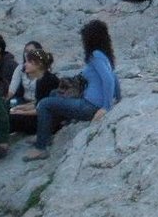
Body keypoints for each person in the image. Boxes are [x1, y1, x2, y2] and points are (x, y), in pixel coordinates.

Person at [24, 19, 120, 161]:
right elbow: (114, 76)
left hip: (90, 106)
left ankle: (41, 148)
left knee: (44, 104)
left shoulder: (95, 56)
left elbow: (109, 79)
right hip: (90, 102)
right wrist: (118, 98)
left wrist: (106, 107)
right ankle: (45, 135)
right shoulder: (104, 55)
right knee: (54, 94)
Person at [7, 47, 61, 135]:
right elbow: (38, 103)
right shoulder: (40, 80)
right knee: (11, 112)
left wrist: (21, 112)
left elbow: (42, 109)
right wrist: (21, 107)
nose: (25, 65)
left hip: (50, 121)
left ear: (38, 64)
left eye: (29, 62)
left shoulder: (48, 80)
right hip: (43, 115)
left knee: (12, 118)